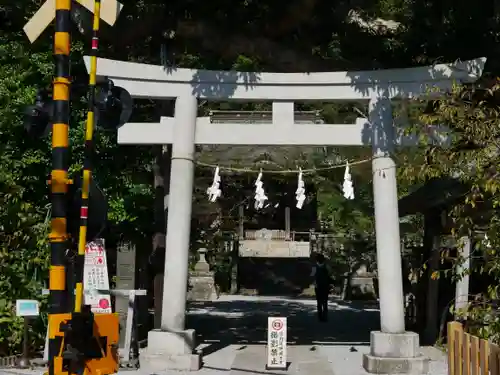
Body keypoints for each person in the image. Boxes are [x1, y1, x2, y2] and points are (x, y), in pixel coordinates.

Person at [310, 253, 332, 322]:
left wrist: (314, 284)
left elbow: (312, 276)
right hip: (325, 286)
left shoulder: (314, 267)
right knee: (325, 302)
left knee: (319, 302)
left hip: (318, 286)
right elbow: (330, 275)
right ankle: (324, 317)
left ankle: (320, 317)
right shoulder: (326, 266)